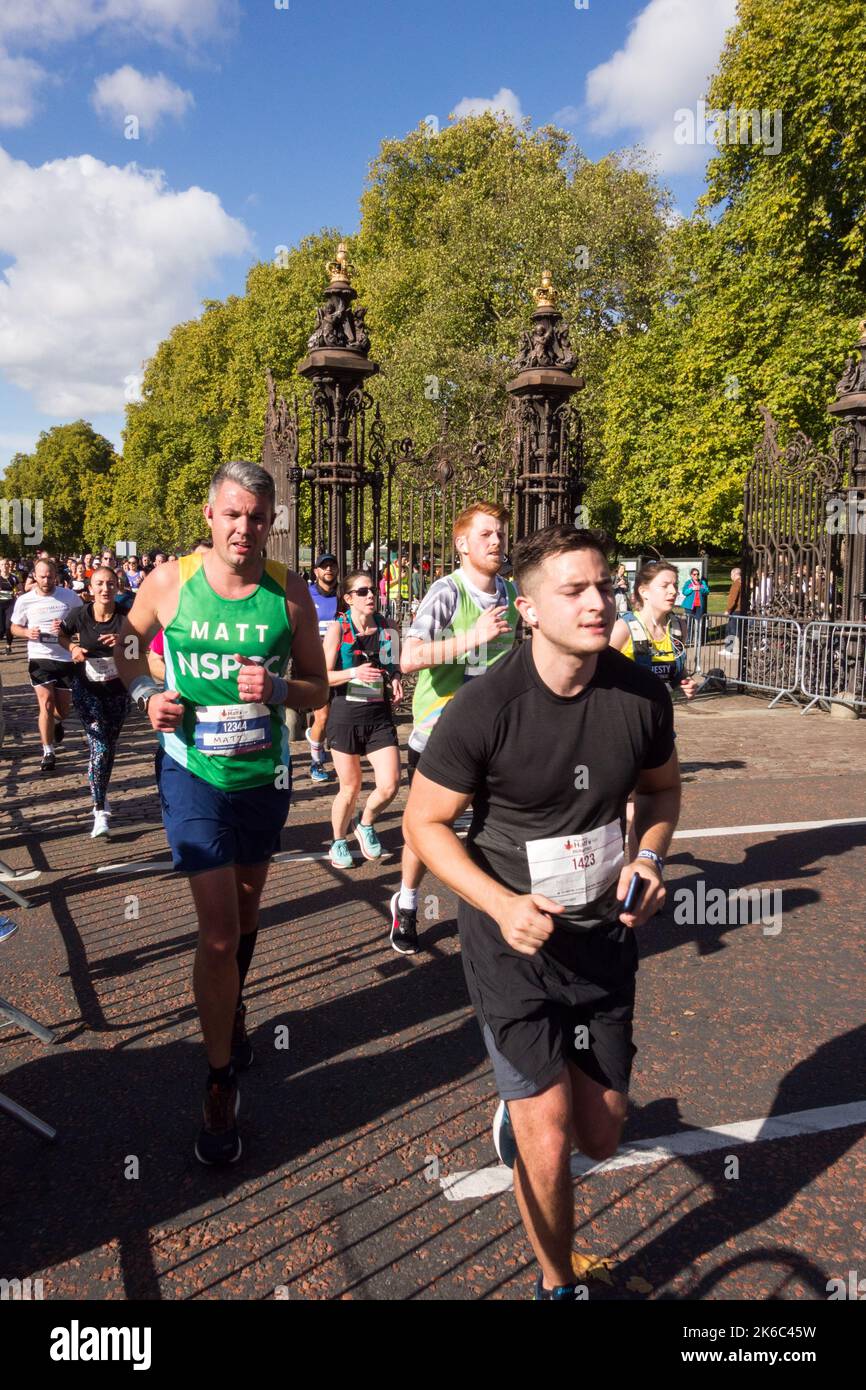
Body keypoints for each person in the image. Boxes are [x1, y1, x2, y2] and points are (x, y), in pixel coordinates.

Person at [403, 524, 681, 1300]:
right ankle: (557, 1284)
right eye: (574, 590)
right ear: (528, 609)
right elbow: (422, 824)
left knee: (602, 1132)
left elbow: (661, 791)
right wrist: (496, 901)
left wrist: (650, 857)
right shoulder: (484, 707)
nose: (597, 602)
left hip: (602, 939)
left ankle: (526, 1119)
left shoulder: (638, 694)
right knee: (549, 1138)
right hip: (510, 945)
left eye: (603, 585)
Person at [115, 459, 328, 1166]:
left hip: (262, 775)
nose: (245, 528)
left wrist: (277, 688)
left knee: (246, 911)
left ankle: (230, 1007)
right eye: (233, 514)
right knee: (216, 932)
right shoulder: (171, 582)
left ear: (272, 523)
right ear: (210, 516)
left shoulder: (289, 594)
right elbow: (123, 641)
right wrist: (147, 690)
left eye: (258, 517)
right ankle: (217, 1082)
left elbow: (316, 691)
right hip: (193, 773)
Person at [390, 502, 518, 955]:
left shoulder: (513, 593)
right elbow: (409, 658)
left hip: (495, 738)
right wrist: (472, 638)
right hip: (439, 735)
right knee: (427, 828)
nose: (497, 542)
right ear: (462, 544)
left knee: (494, 825)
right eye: (486, 535)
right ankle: (406, 902)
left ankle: (492, 911)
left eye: (500, 533)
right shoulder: (447, 592)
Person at [323, 570, 403, 867]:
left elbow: (393, 665)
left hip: (378, 716)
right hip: (345, 716)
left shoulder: (388, 627)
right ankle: (338, 840)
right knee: (351, 787)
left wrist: (395, 678)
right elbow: (322, 677)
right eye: (362, 592)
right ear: (348, 599)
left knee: (390, 783)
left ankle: (365, 822)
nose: (371, 595)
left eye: (372, 590)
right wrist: (354, 672)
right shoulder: (338, 629)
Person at [58, 566, 131, 836]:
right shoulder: (80, 614)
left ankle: (100, 789)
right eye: (99, 584)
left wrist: (122, 643)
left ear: (117, 586)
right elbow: (61, 635)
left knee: (108, 746)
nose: (105, 589)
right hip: (87, 689)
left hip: (118, 690)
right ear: (90, 588)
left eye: (110, 584)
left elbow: (140, 649)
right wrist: (73, 648)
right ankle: (99, 809)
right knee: (99, 745)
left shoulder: (127, 618)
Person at [10, 557, 83, 771]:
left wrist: (65, 626)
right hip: (39, 657)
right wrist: (26, 632)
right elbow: (14, 627)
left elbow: (81, 621)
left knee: (63, 710)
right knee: (46, 703)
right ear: (34, 575)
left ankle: (57, 723)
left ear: (56, 576)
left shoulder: (69, 597)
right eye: (42, 576)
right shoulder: (25, 600)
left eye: (50, 576)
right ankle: (48, 751)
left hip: (64, 658)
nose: (46, 580)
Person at [306, 552, 341, 784]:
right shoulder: (305, 595)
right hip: (314, 664)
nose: (328, 569)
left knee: (338, 715)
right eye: (323, 566)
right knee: (323, 716)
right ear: (316, 572)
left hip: (342, 664)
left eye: (332, 566)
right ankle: (316, 762)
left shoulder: (344, 596)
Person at [681, 566, 709, 646]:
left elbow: (707, 591)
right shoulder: (688, 583)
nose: (696, 576)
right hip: (689, 606)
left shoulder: (702, 583)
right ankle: (689, 639)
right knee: (689, 623)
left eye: (697, 574)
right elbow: (684, 592)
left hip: (699, 606)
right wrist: (692, 589)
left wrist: (700, 588)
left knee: (699, 623)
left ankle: (698, 639)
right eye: (694, 574)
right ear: (691, 575)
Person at [0, 556, 19, 655]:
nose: (4, 566)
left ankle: (8, 646)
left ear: (9, 566)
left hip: (10, 604)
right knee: (1, 629)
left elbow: (21, 589)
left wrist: (18, 593)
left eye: (6, 564)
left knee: (8, 626)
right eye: (2, 565)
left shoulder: (14, 577)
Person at [722, 566, 742, 657]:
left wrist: (728, 610)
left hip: (735, 610)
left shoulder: (736, 584)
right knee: (738, 630)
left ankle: (729, 649)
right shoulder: (743, 582)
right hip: (741, 610)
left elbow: (733, 599)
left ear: (733, 574)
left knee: (730, 630)